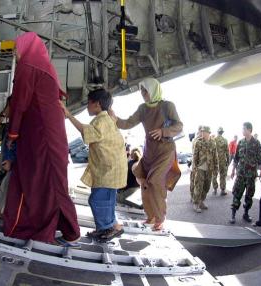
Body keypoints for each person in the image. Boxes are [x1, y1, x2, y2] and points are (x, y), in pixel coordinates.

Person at [3, 32, 80, 246]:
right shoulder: (44, 65)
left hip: (41, 134)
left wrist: (12, 134)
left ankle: (46, 229)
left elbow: (19, 104)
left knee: (41, 182)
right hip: (50, 133)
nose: (15, 53)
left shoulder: (28, 66)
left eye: (16, 48)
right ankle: (68, 229)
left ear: (26, 47)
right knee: (52, 181)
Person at [110, 78, 183, 231]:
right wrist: (115, 119)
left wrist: (163, 131)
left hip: (165, 150)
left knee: (155, 180)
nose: (143, 94)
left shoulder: (167, 106)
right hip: (150, 151)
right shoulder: (142, 108)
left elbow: (179, 126)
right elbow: (128, 123)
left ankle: (160, 218)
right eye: (141, 91)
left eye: (145, 91)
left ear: (154, 90)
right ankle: (150, 216)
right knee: (143, 181)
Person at [63, 88, 127, 242]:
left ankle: (108, 228)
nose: (86, 106)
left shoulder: (101, 121)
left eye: (88, 103)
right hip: (112, 168)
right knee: (107, 200)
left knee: (98, 200)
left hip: (108, 170)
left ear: (97, 104)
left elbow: (86, 133)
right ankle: (110, 226)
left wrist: (69, 115)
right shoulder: (106, 118)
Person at [230, 122, 261, 224]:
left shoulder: (256, 143)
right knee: (236, 194)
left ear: (249, 130)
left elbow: (260, 160)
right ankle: (233, 215)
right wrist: (232, 170)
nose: (242, 131)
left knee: (249, 196)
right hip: (240, 175)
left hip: (250, 176)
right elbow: (236, 158)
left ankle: (246, 213)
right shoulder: (240, 142)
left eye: (244, 129)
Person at [0, 97, 17, 217]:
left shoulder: (16, 125)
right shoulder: (10, 125)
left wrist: (10, 160)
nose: (6, 111)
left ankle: (0, 210)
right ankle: (0, 209)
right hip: (11, 158)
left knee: (7, 183)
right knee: (7, 183)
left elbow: (15, 144)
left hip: (13, 159)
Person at [193, 126, 218, 212]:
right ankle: (196, 204)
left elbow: (215, 157)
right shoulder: (198, 142)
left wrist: (216, 168)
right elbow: (195, 156)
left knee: (207, 186)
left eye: (204, 132)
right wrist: (194, 167)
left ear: (208, 133)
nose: (202, 133)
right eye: (202, 132)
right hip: (200, 167)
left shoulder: (213, 143)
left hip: (209, 168)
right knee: (199, 186)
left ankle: (201, 201)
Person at [212, 127, 229, 196]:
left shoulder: (213, 140)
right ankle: (222, 190)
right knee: (222, 175)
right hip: (222, 160)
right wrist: (228, 160)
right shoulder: (225, 140)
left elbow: (211, 150)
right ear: (222, 132)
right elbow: (227, 152)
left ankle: (215, 189)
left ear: (217, 132)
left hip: (215, 160)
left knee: (214, 175)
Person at [190, 126, 204, 202]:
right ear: (198, 131)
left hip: (200, 164)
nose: (202, 133)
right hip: (194, 164)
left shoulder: (201, 139)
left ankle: (198, 198)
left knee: (199, 182)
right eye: (201, 131)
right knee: (193, 181)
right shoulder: (195, 140)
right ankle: (192, 196)